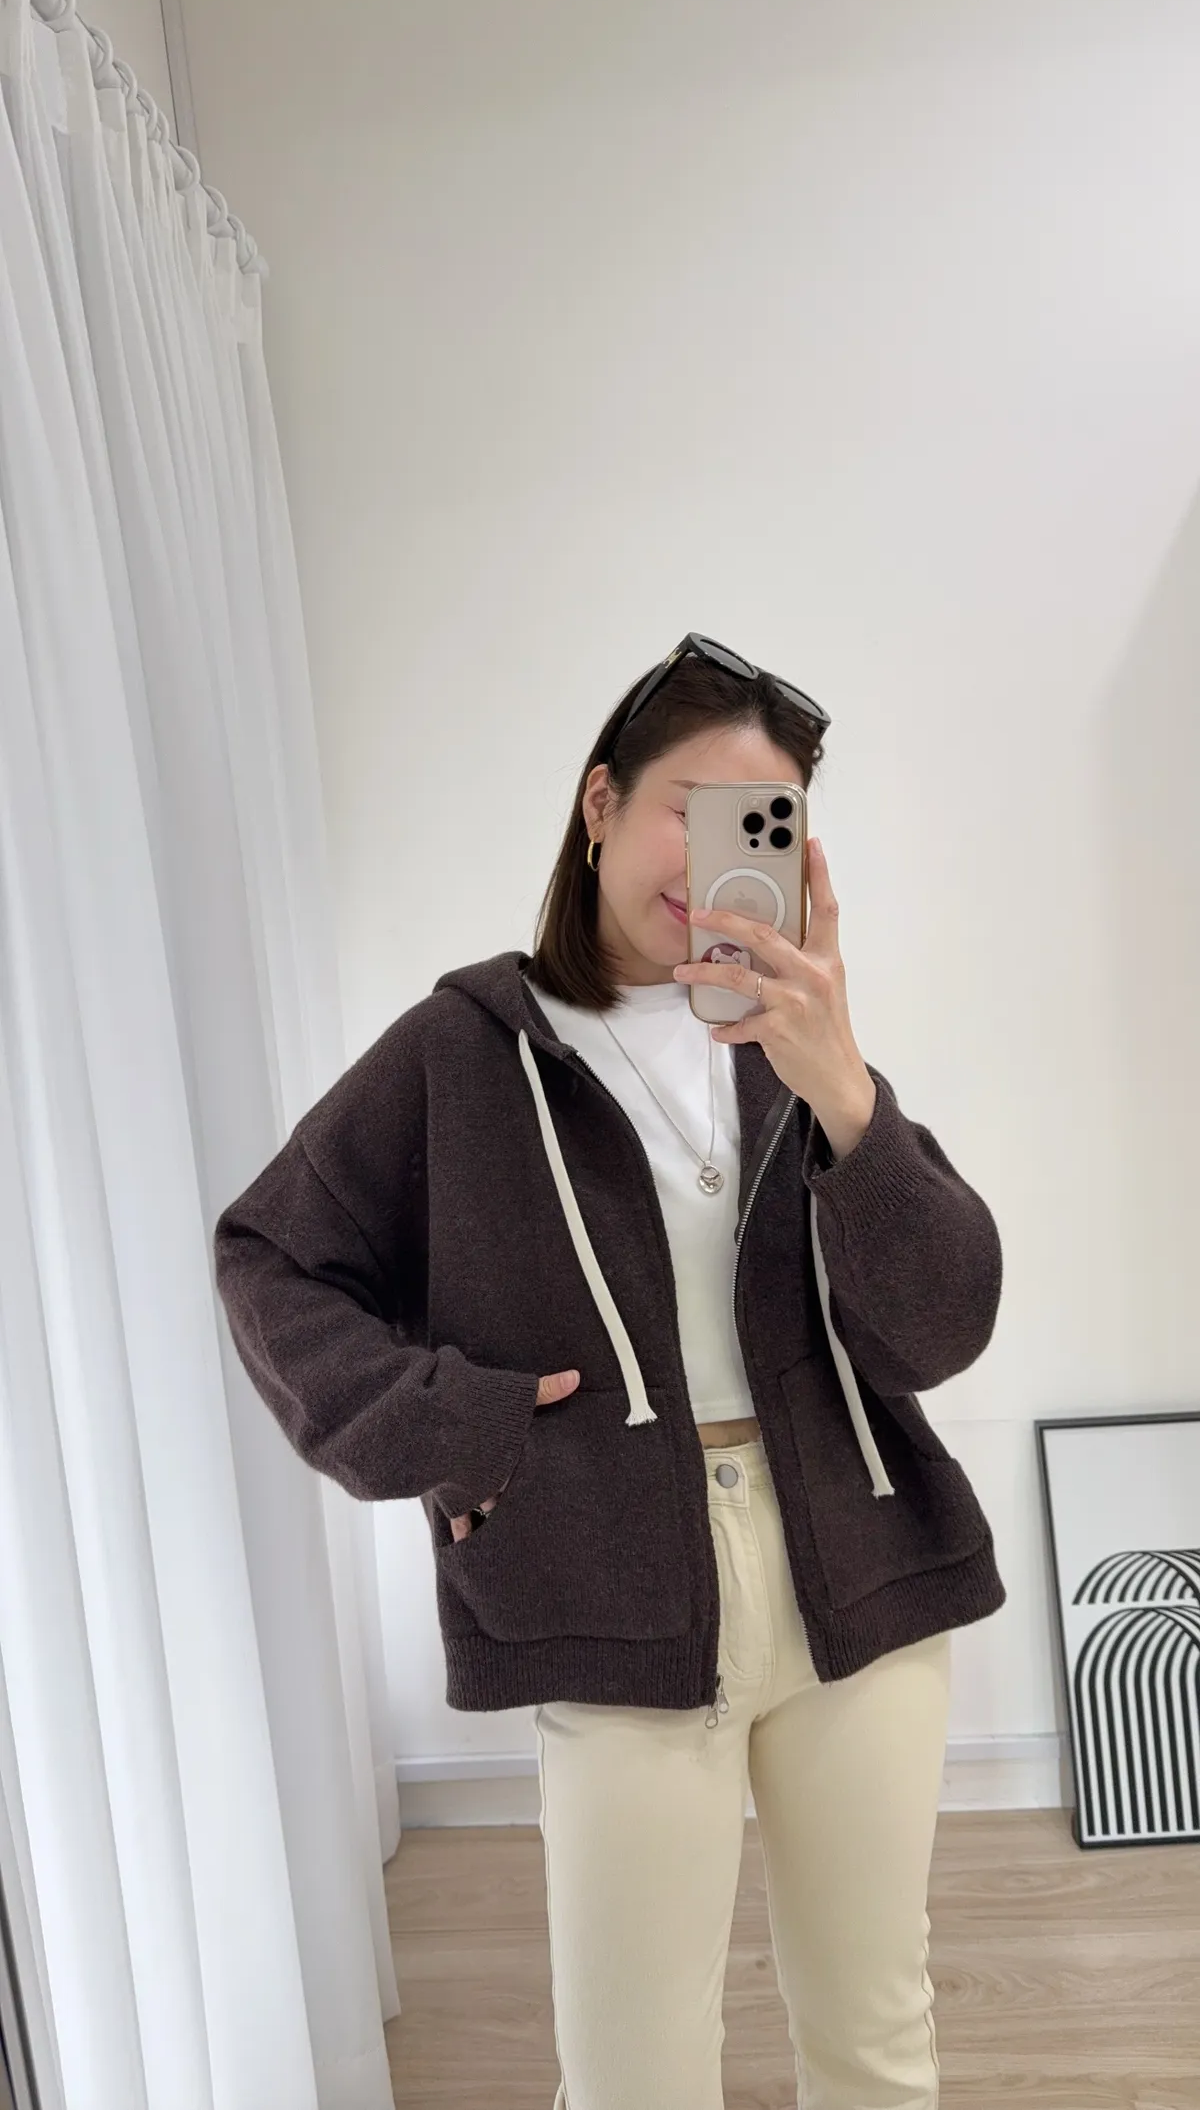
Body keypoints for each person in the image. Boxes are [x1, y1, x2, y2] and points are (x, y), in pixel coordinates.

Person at [213, 633, 1006, 2110]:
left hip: (858, 1566)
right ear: (600, 804)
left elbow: (943, 1326)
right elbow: (272, 1255)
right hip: (604, 1577)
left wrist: (847, 1088)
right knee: (633, 2073)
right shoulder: (464, 1050)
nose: (712, 865)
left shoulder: (797, 1046)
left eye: (757, 828)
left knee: (876, 2044)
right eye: (687, 811)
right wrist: (454, 1429)